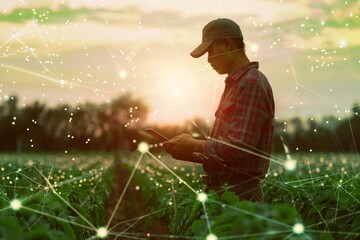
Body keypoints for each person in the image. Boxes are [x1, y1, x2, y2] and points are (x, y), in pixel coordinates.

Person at [164, 18, 275, 202]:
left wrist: (194, 144)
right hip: (227, 192)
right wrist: (189, 153)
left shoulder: (251, 83)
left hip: (239, 196)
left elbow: (240, 147)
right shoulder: (237, 83)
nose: (208, 60)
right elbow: (228, 157)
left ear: (227, 43)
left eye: (210, 51)